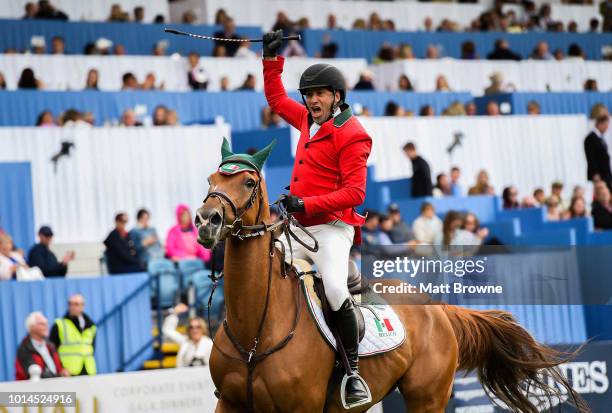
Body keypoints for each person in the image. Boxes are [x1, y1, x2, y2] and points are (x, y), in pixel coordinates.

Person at [262, 30, 373, 406]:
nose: (311, 101)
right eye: (308, 95)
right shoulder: (308, 121)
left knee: (336, 290)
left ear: (336, 96)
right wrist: (271, 60)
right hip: (296, 226)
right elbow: (277, 98)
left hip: (331, 229)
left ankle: (353, 372)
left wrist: (305, 205)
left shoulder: (353, 135)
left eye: (318, 94)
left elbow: (356, 194)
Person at [49, 294, 97, 376]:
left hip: (89, 371)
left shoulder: (91, 326)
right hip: (68, 372)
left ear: (83, 306)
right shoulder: (59, 325)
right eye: (71, 304)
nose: (74, 307)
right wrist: (60, 368)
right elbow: (52, 350)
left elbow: (92, 349)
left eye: (77, 304)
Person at [15, 312, 69, 380]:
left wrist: (62, 371)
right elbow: (31, 374)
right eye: (42, 324)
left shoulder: (50, 345)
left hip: (55, 385)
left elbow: (58, 366)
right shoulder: (24, 349)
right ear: (32, 327)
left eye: (46, 324)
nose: (46, 327)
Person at [162, 303, 213, 367]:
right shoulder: (185, 341)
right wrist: (174, 312)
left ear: (203, 329)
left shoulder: (210, 343)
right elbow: (167, 330)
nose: (195, 330)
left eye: (198, 327)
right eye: (191, 327)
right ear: (188, 330)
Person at [584, 114, 611, 190]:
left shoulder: (600, 138)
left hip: (605, 174)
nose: (607, 127)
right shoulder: (591, 138)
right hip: (599, 175)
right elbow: (591, 158)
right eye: (606, 124)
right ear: (600, 124)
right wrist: (595, 173)